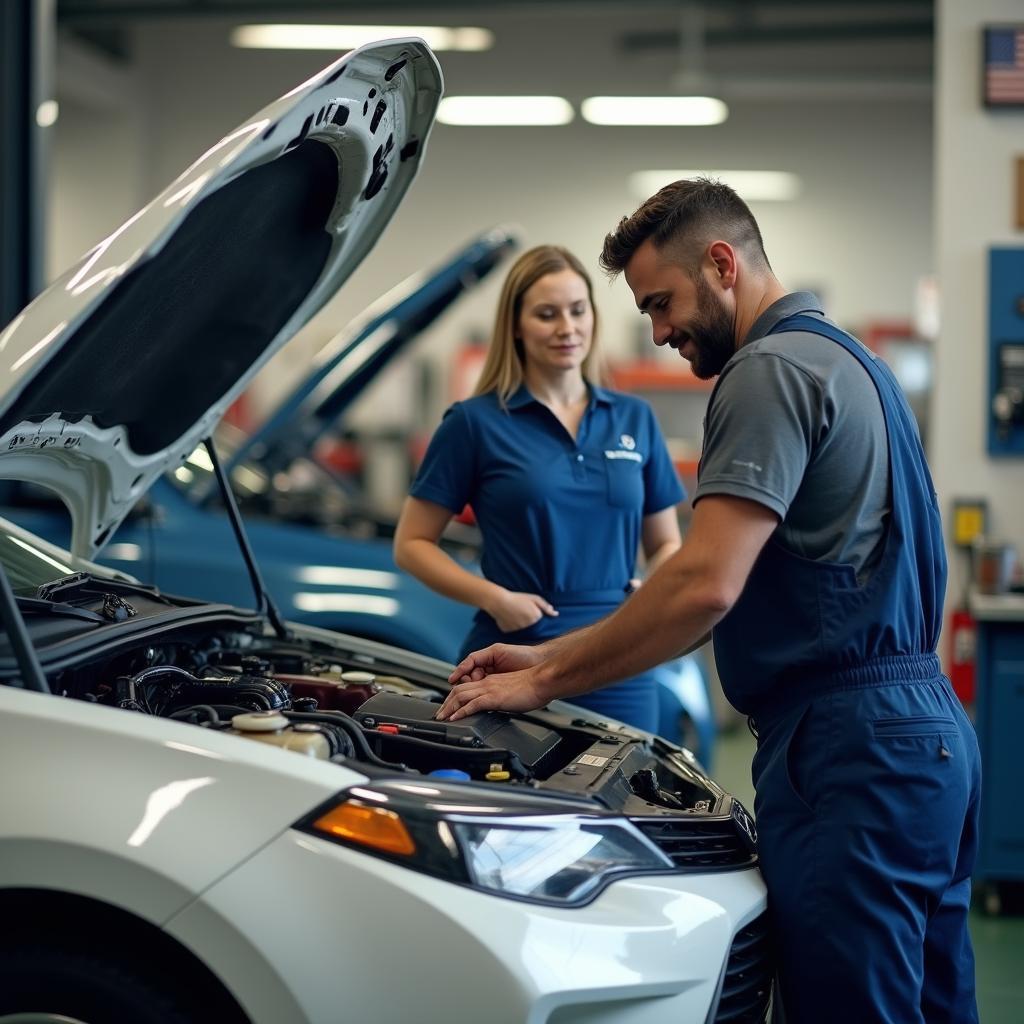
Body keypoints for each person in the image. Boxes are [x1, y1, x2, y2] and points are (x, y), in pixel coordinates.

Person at [436, 180, 981, 1024]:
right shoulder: (851, 362)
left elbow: (702, 582)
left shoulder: (764, 372)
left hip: (850, 751)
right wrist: (547, 653)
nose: (656, 331)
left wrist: (543, 682)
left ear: (722, 264)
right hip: (926, 742)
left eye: (661, 302)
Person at [393, 244, 685, 732]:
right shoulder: (474, 423)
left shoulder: (634, 417)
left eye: (577, 310)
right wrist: (493, 598)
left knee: (624, 798)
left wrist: (653, 582)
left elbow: (666, 542)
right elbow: (411, 545)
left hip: (620, 653)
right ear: (516, 326)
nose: (567, 328)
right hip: (515, 649)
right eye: (547, 315)